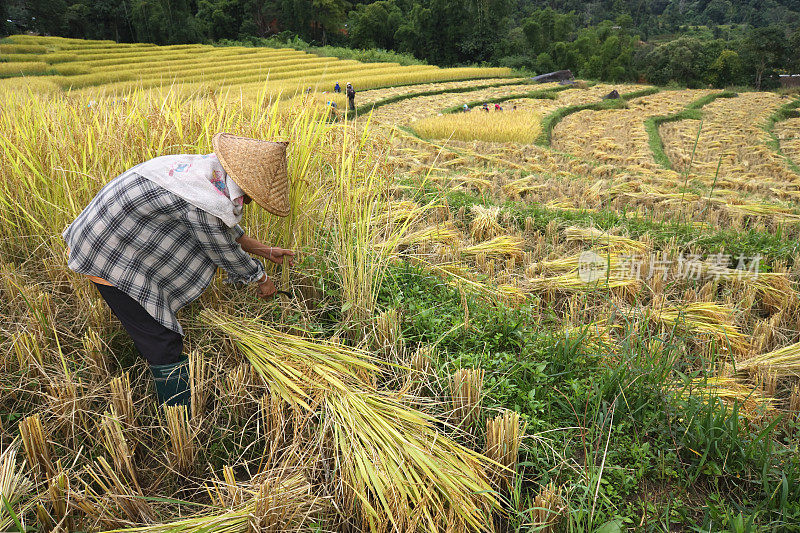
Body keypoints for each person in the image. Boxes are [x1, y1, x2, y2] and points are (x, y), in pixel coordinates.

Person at [63, 133, 295, 406]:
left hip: (104, 236)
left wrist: (264, 250)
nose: (250, 202)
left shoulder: (202, 174)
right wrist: (262, 278)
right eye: (251, 196)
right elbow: (221, 247)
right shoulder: (205, 199)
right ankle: (177, 414)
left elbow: (221, 228)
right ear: (241, 185)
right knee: (162, 339)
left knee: (150, 326)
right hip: (107, 253)